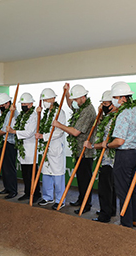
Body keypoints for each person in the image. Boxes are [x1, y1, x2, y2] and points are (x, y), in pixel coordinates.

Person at [102, 81, 136, 228]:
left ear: (123, 98)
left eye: (115, 97)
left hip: (124, 155)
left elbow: (119, 141)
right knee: (132, 188)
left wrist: (107, 145)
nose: (113, 100)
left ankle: (126, 224)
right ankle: (134, 219)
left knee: (123, 190)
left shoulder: (123, 114)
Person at [53, 83, 96, 214]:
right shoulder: (81, 106)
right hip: (79, 149)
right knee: (80, 178)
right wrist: (66, 92)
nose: (75, 102)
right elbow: (71, 105)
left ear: (83, 97)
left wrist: (59, 125)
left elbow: (76, 132)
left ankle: (86, 204)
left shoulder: (88, 110)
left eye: (76, 99)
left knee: (85, 179)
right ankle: (81, 198)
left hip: (86, 151)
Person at [84, 90, 117, 222]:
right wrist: (100, 116)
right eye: (102, 103)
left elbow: (106, 141)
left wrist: (92, 146)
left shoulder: (113, 119)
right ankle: (111, 209)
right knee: (111, 187)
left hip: (108, 158)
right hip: (108, 158)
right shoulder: (110, 117)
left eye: (105, 103)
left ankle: (105, 214)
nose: (103, 105)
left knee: (105, 188)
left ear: (113, 104)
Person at [35, 88, 66, 209]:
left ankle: (60, 200)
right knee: (46, 173)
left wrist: (44, 136)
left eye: (48, 99)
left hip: (55, 147)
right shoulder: (46, 113)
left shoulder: (60, 113)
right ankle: (47, 197)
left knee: (57, 175)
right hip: (46, 148)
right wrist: (38, 114)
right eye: (44, 100)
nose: (45, 102)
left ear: (53, 99)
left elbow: (59, 132)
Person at [6, 92, 41, 201]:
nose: (23, 105)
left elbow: (29, 132)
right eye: (22, 103)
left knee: (32, 174)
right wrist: (12, 113)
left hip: (31, 148)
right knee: (25, 173)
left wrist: (14, 131)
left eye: (25, 103)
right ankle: (27, 192)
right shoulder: (21, 116)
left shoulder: (34, 116)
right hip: (23, 149)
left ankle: (36, 194)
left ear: (31, 104)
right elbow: (13, 125)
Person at [0, 92, 18, 199]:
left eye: (3, 105)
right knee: (4, 166)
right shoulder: (6, 113)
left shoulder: (12, 113)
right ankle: (7, 187)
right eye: (0, 106)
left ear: (8, 103)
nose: (1, 107)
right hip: (4, 142)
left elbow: (4, 130)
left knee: (9, 167)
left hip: (10, 143)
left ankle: (13, 190)